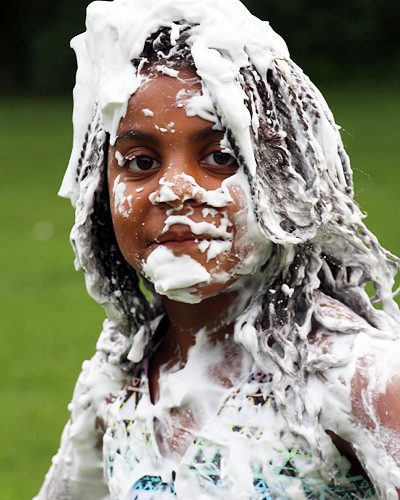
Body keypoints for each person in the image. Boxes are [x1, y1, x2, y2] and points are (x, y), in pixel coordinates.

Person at [34, 0, 400, 498]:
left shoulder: (356, 378)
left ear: (284, 180)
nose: (174, 189)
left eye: (220, 157)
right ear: (101, 193)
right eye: (140, 162)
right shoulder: (115, 386)